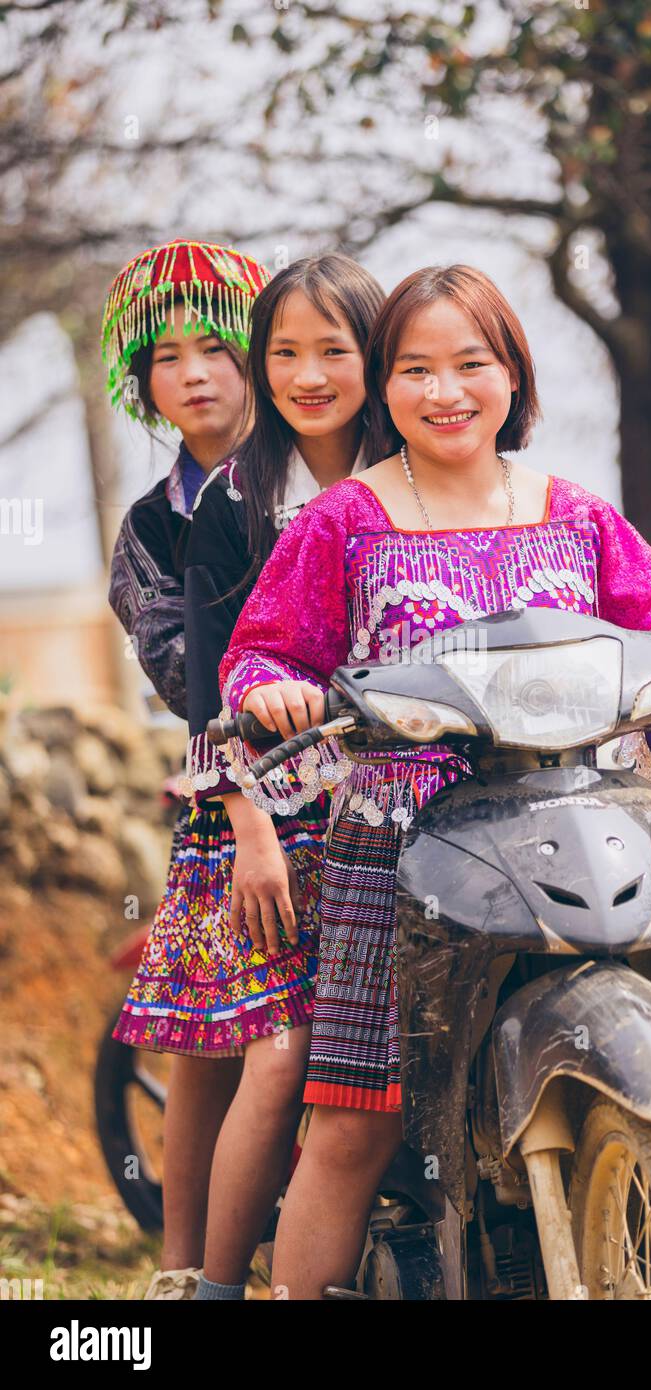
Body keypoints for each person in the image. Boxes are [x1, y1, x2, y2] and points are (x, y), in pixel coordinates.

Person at [217, 264, 651, 1298]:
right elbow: (260, 654)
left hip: (576, 816)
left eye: (471, 364)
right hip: (400, 849)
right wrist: (273, 694)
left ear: (512, 375)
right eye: (416, 369)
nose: (446, 392)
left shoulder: (575, 511)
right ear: (384, 390)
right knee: (353, 1121)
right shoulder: (344, 520)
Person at [181, 253, 386, 1302]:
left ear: (375, 354)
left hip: (403, 801)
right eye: (285, 352)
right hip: (265, 813)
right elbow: (200, 685)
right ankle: (216, 1287)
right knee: (284, 1046)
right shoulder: (233, 498)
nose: (308, 374)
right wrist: (249, 825)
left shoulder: (418, 471)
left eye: (334, 350)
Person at [104, 238, 271, 1299]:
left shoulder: (327, 477)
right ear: (143, 383)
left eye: (217, 344)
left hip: (375, 766)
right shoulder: (152, 527)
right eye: (167, 356)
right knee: (209, 1038)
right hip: (229, 791)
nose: (196, 371)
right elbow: (182, 670)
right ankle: (182, 1274)